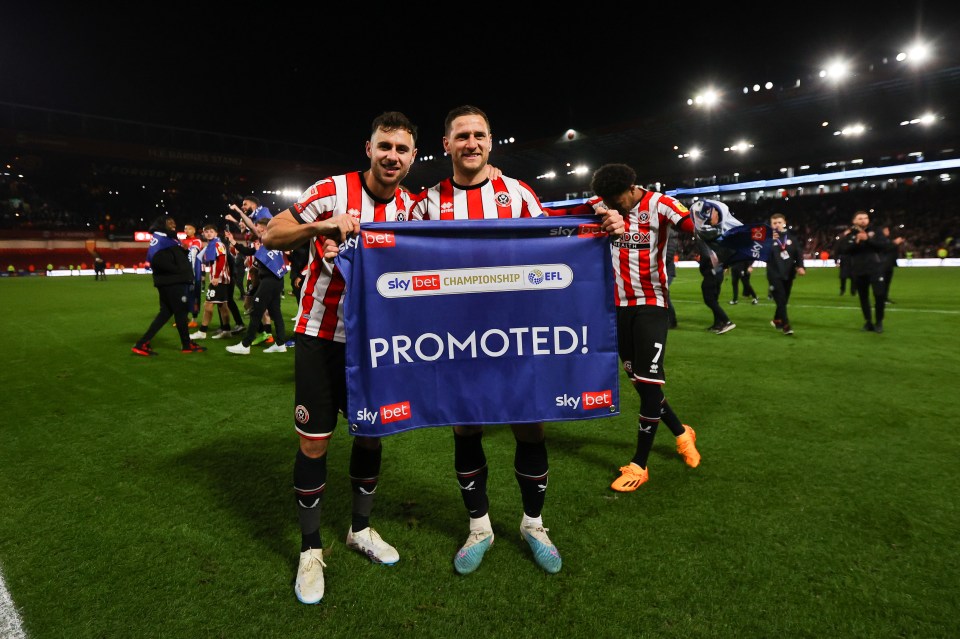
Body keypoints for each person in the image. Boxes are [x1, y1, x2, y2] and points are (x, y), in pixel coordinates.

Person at [410, 105, 624, 576]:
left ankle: (533, 524)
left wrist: (604, 229)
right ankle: (479, 526)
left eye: (479, 134)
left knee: (531, 427)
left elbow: (554, 239)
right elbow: (393, 249)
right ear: (445, 144)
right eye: (461, 135)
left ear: (491, 141)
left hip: (516, 333)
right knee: (466, 428)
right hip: (457, 337)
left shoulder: (517, 192)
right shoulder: (426, 202)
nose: (471, 143)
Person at [259, 111, 421, 605]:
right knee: (314, 444)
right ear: (368, 148)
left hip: (376, 343)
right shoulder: (331, 190)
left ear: (413, 157)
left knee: (371, 434)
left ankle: (360, 529)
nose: (392, 155)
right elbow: (271, 234)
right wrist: (325, 224)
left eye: (402, 149)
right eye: (384, 146)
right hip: (320, 336)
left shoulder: (413, 208)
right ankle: (311, 549)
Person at [584, 163, 702, 493]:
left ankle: (639, 464)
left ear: (633, 186)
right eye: (607, 199)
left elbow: (691, 224)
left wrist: (703, 238)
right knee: (642, 384)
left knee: (648, 382)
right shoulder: (603, 204)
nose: (614, 204)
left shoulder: (661, 204)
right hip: (617, 308)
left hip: (652, 304)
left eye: (618, 198)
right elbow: (560, 215)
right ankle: (682, 433)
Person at [132, 215, 207, 356]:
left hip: (167, 282)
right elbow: (159, 261)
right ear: (162, 225)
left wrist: (182, 251)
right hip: (173, 282)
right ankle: (186, 345)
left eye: (174, 222)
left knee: (165, 313)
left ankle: (142, 343)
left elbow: (168, 256)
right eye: (170, 223)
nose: (173, 225)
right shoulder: (163, 239)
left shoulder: (164, 239)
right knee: (181, 312)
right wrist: (179, 270)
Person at [224, 220, 288, 354]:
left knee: (256, 310)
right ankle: (281, 343)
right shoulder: (266, 243)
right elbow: (248, 251)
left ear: (265, 229)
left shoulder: (270, 242)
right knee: (276, 312)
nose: (256, 230)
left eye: (258, 228)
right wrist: (233, 241)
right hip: (277, 280)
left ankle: (245, 345)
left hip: (269, 281)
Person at [689, 199, 738, 334]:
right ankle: (717, 323)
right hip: (718, 270)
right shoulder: (716, 232)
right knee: (714, 298)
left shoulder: (706, 232)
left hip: (712, 271)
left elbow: (709, 252)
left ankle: (727, 321)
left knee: (709, 299)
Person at [840, 210, 891, 333]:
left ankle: (879, 322)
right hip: (859, 270)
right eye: (860, 218)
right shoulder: (850, 234)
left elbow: (884, 246)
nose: (863, 220)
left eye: (865, 218)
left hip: (876, 269)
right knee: (863, 297)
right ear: (854, 221)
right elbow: (845, 250)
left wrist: (867, 239)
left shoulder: (876, 231)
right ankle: (868, 321)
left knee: (879, 295)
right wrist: (856, 242)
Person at [190, 225, 236, 339]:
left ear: (216, 234)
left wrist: (215, 277)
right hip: (221, 279)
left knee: (208, 305)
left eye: (211, 231)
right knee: (222, 306)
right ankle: (226, 330)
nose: (209, 233)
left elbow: (221, 261)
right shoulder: (211, 245)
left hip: (218, 280)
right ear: (204, 234)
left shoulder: (217, 244)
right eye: (206, 232)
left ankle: (202, 331)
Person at [766, 213, 806, 335]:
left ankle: (777, 320)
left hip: (789, 272)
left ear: (784, 222)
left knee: (784, 300)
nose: (777, 225)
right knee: (781, 299)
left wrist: (800, 266)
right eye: (774, 223)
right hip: (774, 273)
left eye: (779, 222)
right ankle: (786, 325)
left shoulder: (791, 238)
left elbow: (798, 253)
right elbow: (759, 252)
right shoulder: (767, 239)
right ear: (771, 225)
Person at [181, 223, 204, 328]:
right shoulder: (182, 241)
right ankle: (183, 318)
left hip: (194, 274)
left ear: (194, 230)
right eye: (185, 229)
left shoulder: (197, 241)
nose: (187, 231)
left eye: (189, 229)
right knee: (182, 296)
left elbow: (193, 255)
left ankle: (194, 319)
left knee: (194, 296)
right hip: (183, 274)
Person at [880, 225, 905, 304]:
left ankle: (885, 298)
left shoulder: (887, 240)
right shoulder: (879, 240)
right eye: (886, 230)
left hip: (888, 264)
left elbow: (891, 249)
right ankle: (881, 299)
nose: (888, 232)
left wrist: (897, 243)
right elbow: (884, 248)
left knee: (887, 283)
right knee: (882, 283)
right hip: (882, 265)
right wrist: (894, 243)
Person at [665, 227, 679, 329]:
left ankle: (672, 320)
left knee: (665, 294)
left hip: (667, 270)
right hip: (659, 268)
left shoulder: (671, 233)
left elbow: (669, 254)